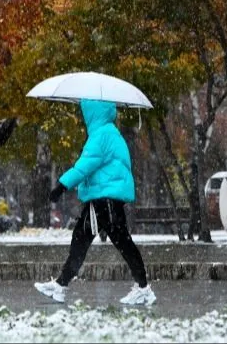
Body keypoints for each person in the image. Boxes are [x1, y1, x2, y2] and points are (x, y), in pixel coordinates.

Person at [34, 99, 156, 306]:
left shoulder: (101, 135)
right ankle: (61, 286)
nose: (83, 115)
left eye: (85, 111)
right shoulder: (108, 132)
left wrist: (61, 186)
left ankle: (144, 288)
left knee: (122, 242)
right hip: (101, 198)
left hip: (104, 199)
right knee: (81, 239)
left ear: (92, 112)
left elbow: (84, 166)